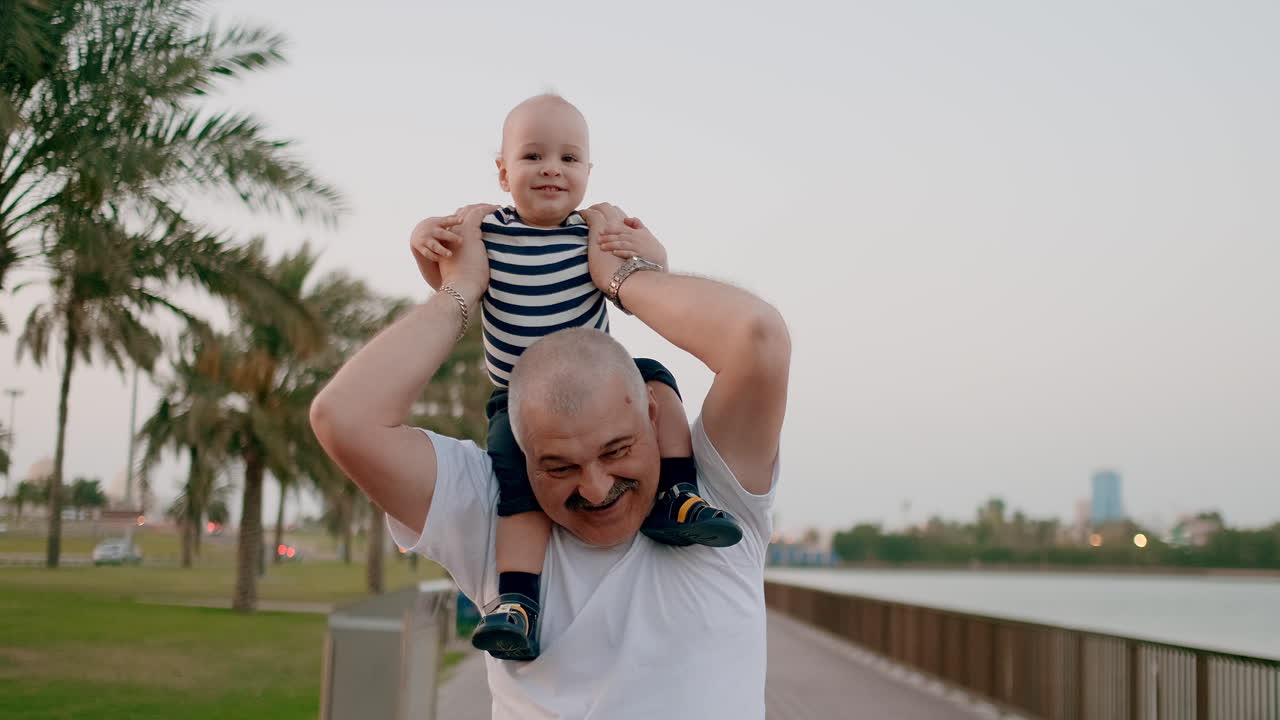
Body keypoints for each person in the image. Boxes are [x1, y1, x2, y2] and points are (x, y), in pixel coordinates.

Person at [310, 200, 790, 718]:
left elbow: (757, 337)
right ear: (519, 448)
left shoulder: (715, 493)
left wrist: (623, 278)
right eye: (558, 467)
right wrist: (461, 290)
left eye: (617, 450)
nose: (596, 488)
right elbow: (344, 418)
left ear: (653, 413)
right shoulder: (490, 509)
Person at [407, 94, 741, 660]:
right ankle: (516, 603)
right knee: (519, 496)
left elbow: (649, 281)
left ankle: (678, 495)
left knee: (656, 380)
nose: (551, 169)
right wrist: (423, 237)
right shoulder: (487, 230)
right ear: (503, 171)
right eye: (533, 155)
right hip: (519, 401)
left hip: (601, 388)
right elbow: (445, 273)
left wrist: (649, 250)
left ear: (588, 172)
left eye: (569, 158)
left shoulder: (594, 231)